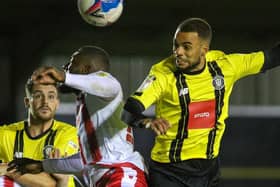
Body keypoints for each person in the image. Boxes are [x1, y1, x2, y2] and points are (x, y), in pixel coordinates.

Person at [121, 17, 280, 187]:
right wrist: (147, 121)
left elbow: (272, 57)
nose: (178, 52)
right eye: (176, 45)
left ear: (204, 50)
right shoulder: (162, 74)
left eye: (186, 47)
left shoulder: (226, 66)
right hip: (169, 172)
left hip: (209, 170)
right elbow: (129, 111)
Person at [9, 46, 148, 187]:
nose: (65, 67)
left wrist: (64, 77)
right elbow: (83, 161)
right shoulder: (93, 105)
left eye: (71, 63)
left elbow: (109, 85)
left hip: (121, 175)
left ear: (85, 69)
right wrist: (42, 165)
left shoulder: (105, 83)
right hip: (109, 176)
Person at [0, 77, 79, 187]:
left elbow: (51, 183)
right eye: (38, 96)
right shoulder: (5, 134)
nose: (45, 102)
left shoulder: (68, 134)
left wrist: (8, 170)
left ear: (57, 103)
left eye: (51, 97)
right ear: (27, 102)